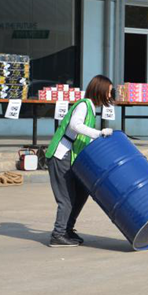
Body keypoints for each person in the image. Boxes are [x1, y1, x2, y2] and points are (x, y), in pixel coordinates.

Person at [45, 75, 115, 247]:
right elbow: (75, 126)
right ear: (100, 90)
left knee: (82, 193)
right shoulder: (83, 105)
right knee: (66, 198)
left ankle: (67, 229)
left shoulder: (91, 108)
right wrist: (98, 133)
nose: (110, 95)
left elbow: (83, 137)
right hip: (60, 155)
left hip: (72, 157)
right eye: (109, 91)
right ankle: (58, 234)